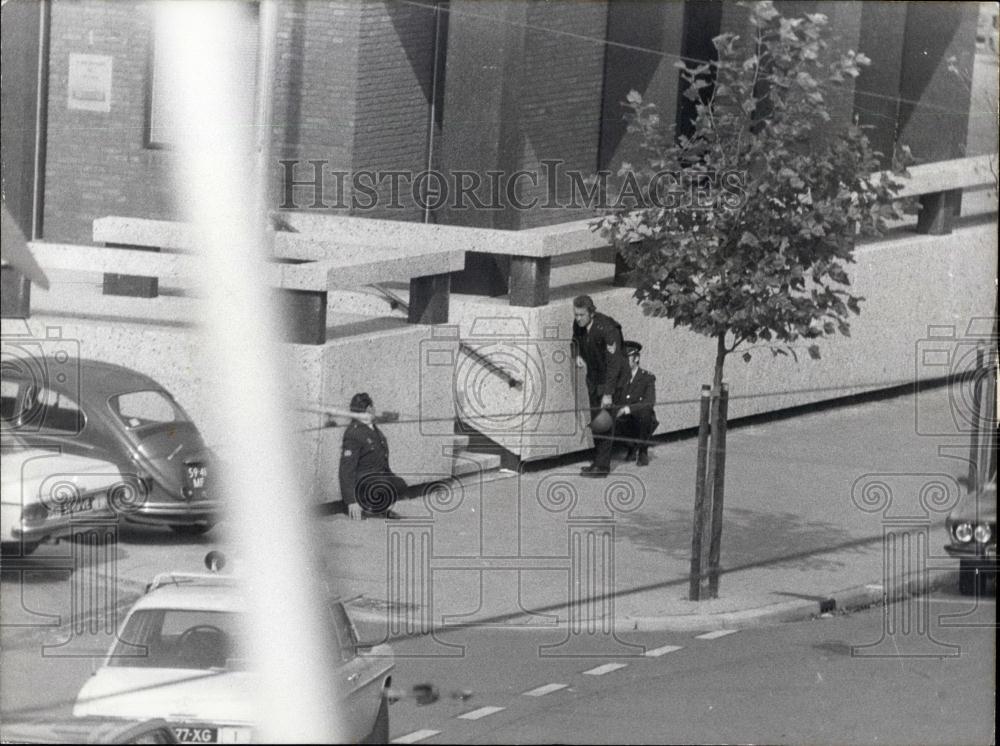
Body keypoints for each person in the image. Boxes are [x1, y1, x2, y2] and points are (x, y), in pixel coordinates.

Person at [572, 295, 627, 476]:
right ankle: (598, 462)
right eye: (576, 314)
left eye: (581, 315)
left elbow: (614, 364)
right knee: (597, 421)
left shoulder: (608, 329)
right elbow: (574, 341)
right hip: (594, 380)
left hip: (611, 381)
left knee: (604, 422)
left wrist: (609, 393)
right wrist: (577, 355)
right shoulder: (578, 325)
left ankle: (602, 467)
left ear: (591, 313)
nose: (578, 318)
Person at [338, 392, 406, 520]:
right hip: (363, 481)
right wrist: (351, 501)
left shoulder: (372, 427)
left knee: (399, 484)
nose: (369, 411)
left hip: (376, 476)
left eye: (369, 408)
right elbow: (346, 470)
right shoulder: (354, 432)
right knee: (383, 484)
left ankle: (377, 507)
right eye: (365, 409)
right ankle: (362, 505)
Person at [615, 341, 658, 466]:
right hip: (626, 419)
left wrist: (627, 409)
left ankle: (643, 450)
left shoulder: (647, 377)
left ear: (636, 358)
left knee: (645, 412)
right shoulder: (620, 379)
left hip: (641, 417)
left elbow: (649, 402)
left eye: (627, 358)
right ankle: (632, 447)